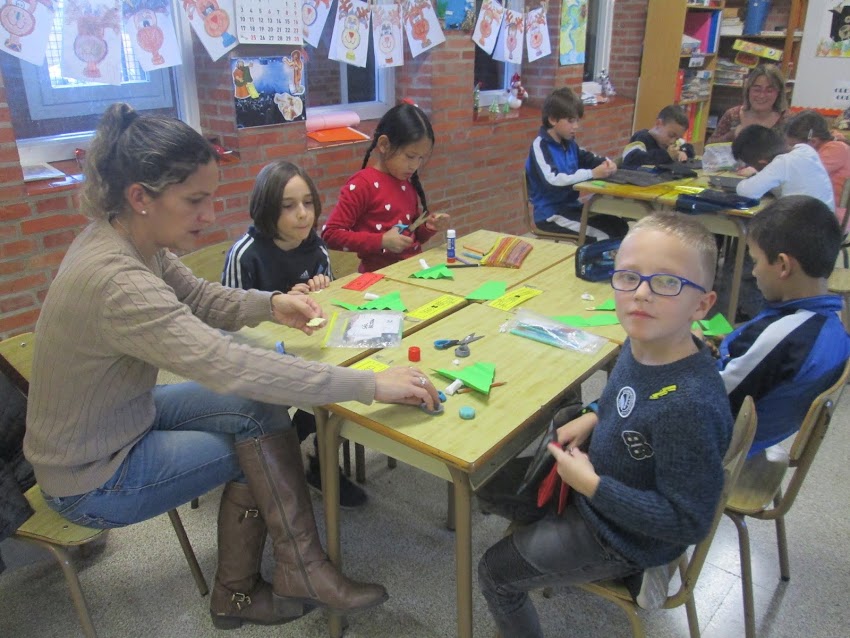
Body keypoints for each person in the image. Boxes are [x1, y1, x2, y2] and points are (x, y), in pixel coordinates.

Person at [23, 103, 442, 631]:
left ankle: (300, 569)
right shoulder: (117, 281)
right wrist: (370, 383)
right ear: (140, 198)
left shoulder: (132, 240)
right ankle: (239, 594)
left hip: (126, 417)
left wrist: (270, 305)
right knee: (257, 444)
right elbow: (229, 364)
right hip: (91, 473)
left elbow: (201, 296)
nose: (209, 216)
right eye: (195, 200)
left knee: (260, 413)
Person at [478, 213, 733, 637]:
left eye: (668, 282)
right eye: (628, 276)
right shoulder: (644, 342)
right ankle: (560, 554)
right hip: (597, 482)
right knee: (486, 484)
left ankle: (637, 572)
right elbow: (625, 396)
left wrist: (593, 486)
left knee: (493, 573)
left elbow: (688, 522)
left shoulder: (690, 405)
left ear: (703, 304)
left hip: (623, 534)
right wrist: (596, 414)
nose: (642, 294)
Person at [222, 160, 367, 509]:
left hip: (303, 351)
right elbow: (229, 325)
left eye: (308, 203)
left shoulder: (315, 247)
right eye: (288, 206)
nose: (303, 215)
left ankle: (314, 454)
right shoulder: (246, 255)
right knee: (319, 384)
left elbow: (323, 310)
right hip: (257, 362)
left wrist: (319, 292)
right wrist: (282, 304)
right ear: (265, 210)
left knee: (346, 373)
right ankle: (287, 454)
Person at [717, 196, 850, 457]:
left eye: (755, 261)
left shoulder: (782, 336)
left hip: (724, 449)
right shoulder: (832, 323)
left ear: (783, 265)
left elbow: (710, 395)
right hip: (762, 431)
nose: (754, 272)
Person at [321, 102, 450, 272]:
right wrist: (381, 241)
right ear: (384, 145)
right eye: (410, 156)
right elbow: (330, 235)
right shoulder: (363, 185)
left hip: (411, 271)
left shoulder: (406, 184)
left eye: (420, 158)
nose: (415, 166)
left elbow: (410, 236)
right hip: (378, 280)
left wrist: (428, 228)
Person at [525, 87, 627, 241]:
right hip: (551, 215)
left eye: (577, 120)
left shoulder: (569, 143)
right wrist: (592, 174)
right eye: (570, 121)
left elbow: (589, 159)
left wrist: (607, 164)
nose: (576, 126)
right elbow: (552, 181)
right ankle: (594, 264)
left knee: (620, 227)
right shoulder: (540, 146)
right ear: (553, 119)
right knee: (604, 236)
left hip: (572, 208)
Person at [733, 124, 835, 210]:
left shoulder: (782, 162)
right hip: (827, 223)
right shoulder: (805, 149)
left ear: (763, 162)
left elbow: (747, 192)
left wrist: (751, 178)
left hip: (804, 229)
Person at [785, 110, 850, 225]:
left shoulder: (836, 149)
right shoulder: (826, 146)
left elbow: (801, 171)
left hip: (834, 216)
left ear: (813, 142)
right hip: (818, 208)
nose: (792, 151)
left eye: (793, 147)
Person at [707, 64, 789, 144]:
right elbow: (709, 147)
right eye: (757, 90)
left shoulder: (786, 120)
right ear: (748, 90)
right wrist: (731, 135)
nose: (762, 95)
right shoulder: (732, 115)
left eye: (769, 91)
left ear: (779, 92)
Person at [621, 105, 695, 168]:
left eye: (678, 138)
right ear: (658, 123)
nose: (673, 141)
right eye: (671, 135)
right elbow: (631, 159)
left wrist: (681, 152)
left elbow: (689, 148)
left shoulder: (674, 141)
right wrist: (667, 155)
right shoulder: (641, 138)